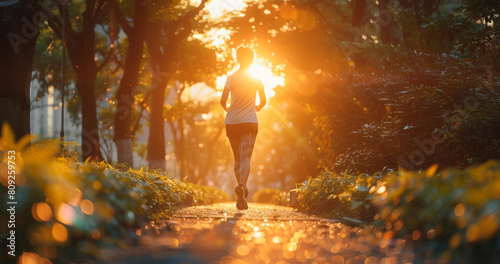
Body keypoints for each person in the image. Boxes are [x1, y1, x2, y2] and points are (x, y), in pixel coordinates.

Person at [220, 47, 266, 210]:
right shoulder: (256, 78)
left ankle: (241, 189)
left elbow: (222, 101)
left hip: (232, 122)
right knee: (245, 158)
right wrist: (256, 108)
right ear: (252, 59)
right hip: (249, 122)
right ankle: (242, 185)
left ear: (238, 58)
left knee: (237, 159)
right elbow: (263, 101)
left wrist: (231, 111)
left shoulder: (231, 78)